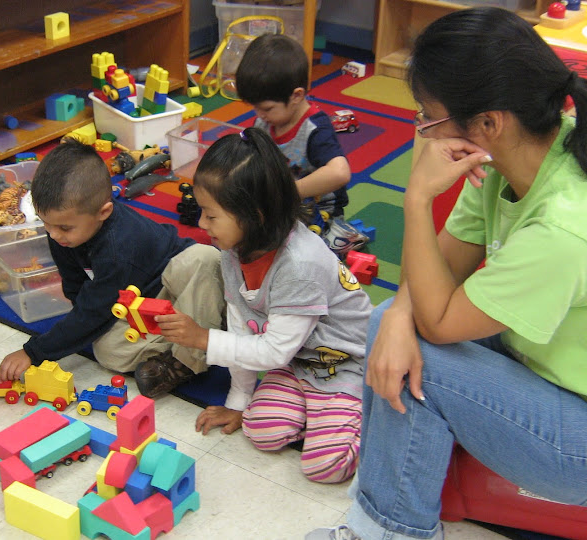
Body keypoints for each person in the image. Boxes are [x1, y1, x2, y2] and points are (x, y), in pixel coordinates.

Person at [307, 7, 587, 540]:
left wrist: (417, 196)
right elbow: (441, 266)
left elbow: (436, 323)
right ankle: (387, 514)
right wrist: (395, 320)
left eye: (428, 118)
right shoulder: (521, 152)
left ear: (488, 122)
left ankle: (387, 531)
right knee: (391, 321)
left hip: (577, 439)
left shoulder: (563, 229)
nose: (421, 131)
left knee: (421, 353)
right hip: (544, 359)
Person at [152, 127, 373, 483]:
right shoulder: (234, 248)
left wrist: (204, 339)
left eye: (210, 215)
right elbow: (242, 325)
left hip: (345, 366)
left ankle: (361, 411)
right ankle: (314, 411)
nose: (200, 223)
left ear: (254, 215)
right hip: (296, 360)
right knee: (262, 432)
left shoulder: (299, 266)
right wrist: (239, 401)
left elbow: (271, 352)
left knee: (325, 468)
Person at [0, 140, 225, 398]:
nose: (53, 233)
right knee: (108, 352)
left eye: (64, 227)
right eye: (46, 223)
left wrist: (33, 351)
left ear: (104, 211)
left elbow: (94, 311)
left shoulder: (118, 248)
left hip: (175, 280)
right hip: (137, 298)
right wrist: (82, 318)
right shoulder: (61, 231)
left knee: (204, 259)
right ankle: (202, 329)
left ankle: (187, 359)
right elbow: (76, 288)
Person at [235, 33, 365, 254]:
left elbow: (340, 173)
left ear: (296, 96)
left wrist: (290, 192)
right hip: (278, 205)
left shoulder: (315, 129)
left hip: (316, 211)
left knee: (297, 255)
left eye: (266, 108)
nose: (259, 115)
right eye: (254, 108)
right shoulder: (264, 121)